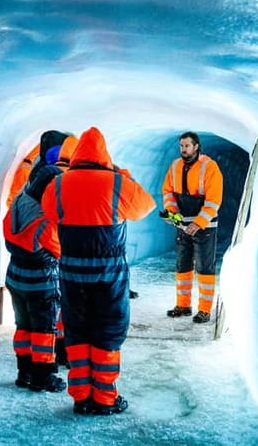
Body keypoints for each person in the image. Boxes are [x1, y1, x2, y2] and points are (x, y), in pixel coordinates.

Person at [41, 127, 155, 416]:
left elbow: (49, 213)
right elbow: (146, 205)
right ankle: (104, 399)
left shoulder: (57, 185)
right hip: (109, 278)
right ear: (104, 155)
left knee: (78, 333)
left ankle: (80, 398)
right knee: (107, 332)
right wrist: (123, 176)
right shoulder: (117, 184)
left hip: (71, 276)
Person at [4, 164, 66, 393]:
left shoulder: (19, 202)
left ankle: (24, 372)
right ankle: (43, 376)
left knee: (23, 326)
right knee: (44, 329)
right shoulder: (47, 215)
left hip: (15, 276)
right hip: (40, 281)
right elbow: (60, 250)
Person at [161, 131, 224, 324]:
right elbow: (168, 192)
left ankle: (204, 310)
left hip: (204, 227)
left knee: (205, 267)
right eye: (181, 146)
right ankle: (183, 305)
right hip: (182, 226)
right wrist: (171, 213)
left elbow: (214, 201)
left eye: (187, 146)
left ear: (196, 146)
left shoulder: (209, 167)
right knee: (183, 266)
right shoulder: (174, 166)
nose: (183, 149)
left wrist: (199, 223)